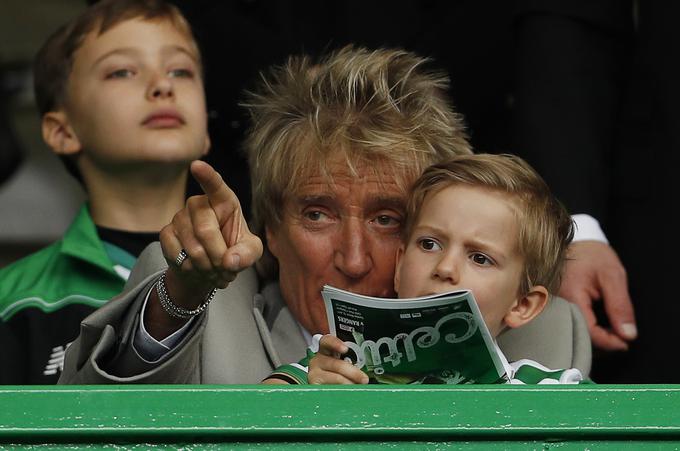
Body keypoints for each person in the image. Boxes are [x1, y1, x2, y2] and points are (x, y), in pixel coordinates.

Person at [60, 46, 598, 385]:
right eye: (317, 215)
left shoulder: (545, 332)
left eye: (389, 220)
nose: (355, 259)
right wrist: (178, 298)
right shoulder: (207, 303)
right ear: (269, 228)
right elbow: (86, 425)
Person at [0, 0, 210, 384]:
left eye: (181, 70)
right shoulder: (13, 301)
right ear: (63, 131)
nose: (163, 85)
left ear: (207, 132)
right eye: (122, 71)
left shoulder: (262, 280)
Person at [264, 153, 587, 385]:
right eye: (430, 244)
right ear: (401, 264)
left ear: (522, 304)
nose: (445, 267)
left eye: (479, 258)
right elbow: (255, 417)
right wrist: (310, 400)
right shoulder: (334, 364)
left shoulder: (547, 389)